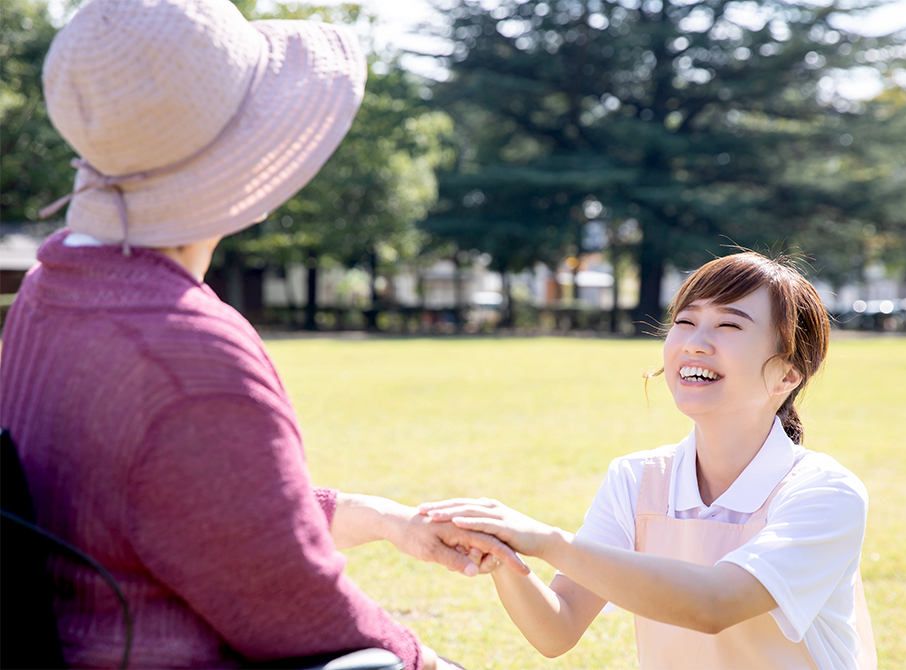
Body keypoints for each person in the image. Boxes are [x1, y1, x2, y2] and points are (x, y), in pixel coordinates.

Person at [0, 1, 526, 668]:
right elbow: (295, 611)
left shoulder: (47, 293)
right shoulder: (186, 353)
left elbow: (195, 509)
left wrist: (379, 519)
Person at [420, 251, 878, 669]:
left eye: (729, 325)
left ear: (787, 375)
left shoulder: (825, 492)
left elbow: (715, 604)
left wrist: (545, 541)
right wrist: (502, 552)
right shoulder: (637, 478)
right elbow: (557, 628)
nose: (695, 342)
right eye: (685, 321)